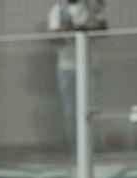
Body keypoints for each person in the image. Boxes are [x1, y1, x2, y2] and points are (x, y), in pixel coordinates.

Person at [47, 0, 107, 143]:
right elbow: (53, 38)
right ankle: (75, 146)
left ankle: (93, 145)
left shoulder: (91, 7)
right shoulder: (58, 9)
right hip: (66, 66)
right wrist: (66, 32)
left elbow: (103, 29)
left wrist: (83, 28)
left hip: (89, 65)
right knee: (70, 110)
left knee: (90, 107)